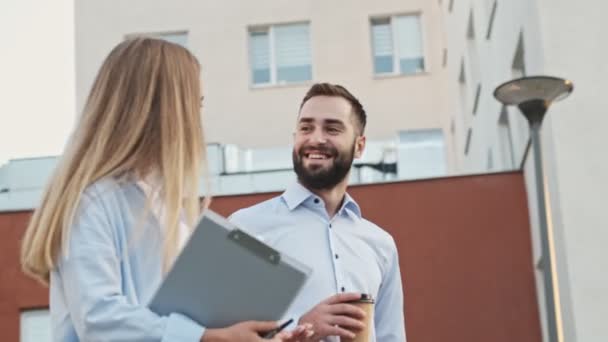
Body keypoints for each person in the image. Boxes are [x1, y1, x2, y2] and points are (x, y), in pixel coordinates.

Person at [20, 37, 310, 342]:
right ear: (164, 108)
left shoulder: (167, 207)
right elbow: (99, 319)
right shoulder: (93, 201)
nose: (198, 117)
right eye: (195, 103)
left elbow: (184, 324)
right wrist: (210, 337)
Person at [230, 83, 406, 342]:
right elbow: (219, 334)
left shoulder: (381, 245)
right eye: (306, 128)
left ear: (359, 146)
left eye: (332, 128)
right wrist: (302, 327)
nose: (315, 138)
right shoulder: (245, 228)